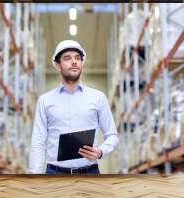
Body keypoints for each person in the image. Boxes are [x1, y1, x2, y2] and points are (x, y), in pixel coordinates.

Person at [29, 40, 119, 174]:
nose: (74, 61)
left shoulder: (98, 97)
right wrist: (34, 177)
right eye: (67, 58)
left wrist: (100, 152)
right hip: (55, 174)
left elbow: (112, 136)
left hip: (90, 174)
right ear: (58, 65)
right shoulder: (45, 101)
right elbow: (38, 142)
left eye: (77, 58)